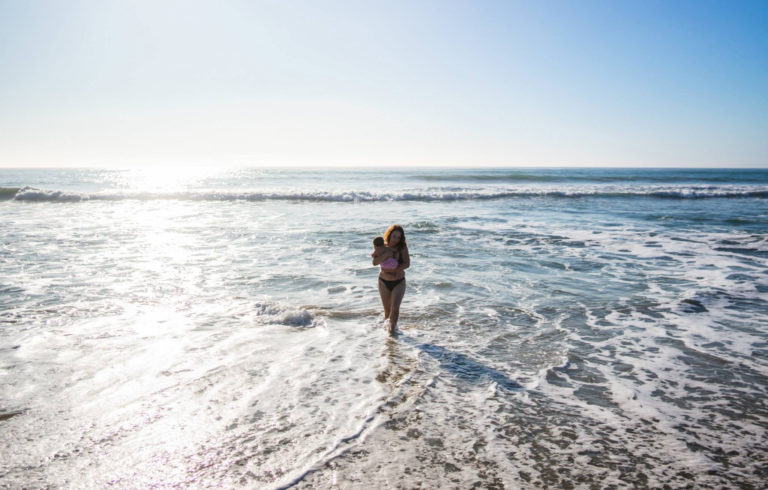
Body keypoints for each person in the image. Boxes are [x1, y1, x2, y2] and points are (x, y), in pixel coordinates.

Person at [371, 225, 410, 335]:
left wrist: (397, 269)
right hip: (383, 282)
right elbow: (375, 262)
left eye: (398, 237)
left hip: (399, 282)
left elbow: (407, 263)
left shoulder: (402, 247)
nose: (396, 239)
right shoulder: (382, 247)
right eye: (394, 236)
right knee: (387, 311)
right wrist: (387, 254)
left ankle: (393, 334)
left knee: (395, 309)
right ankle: (389, 336)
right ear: (389, 235)